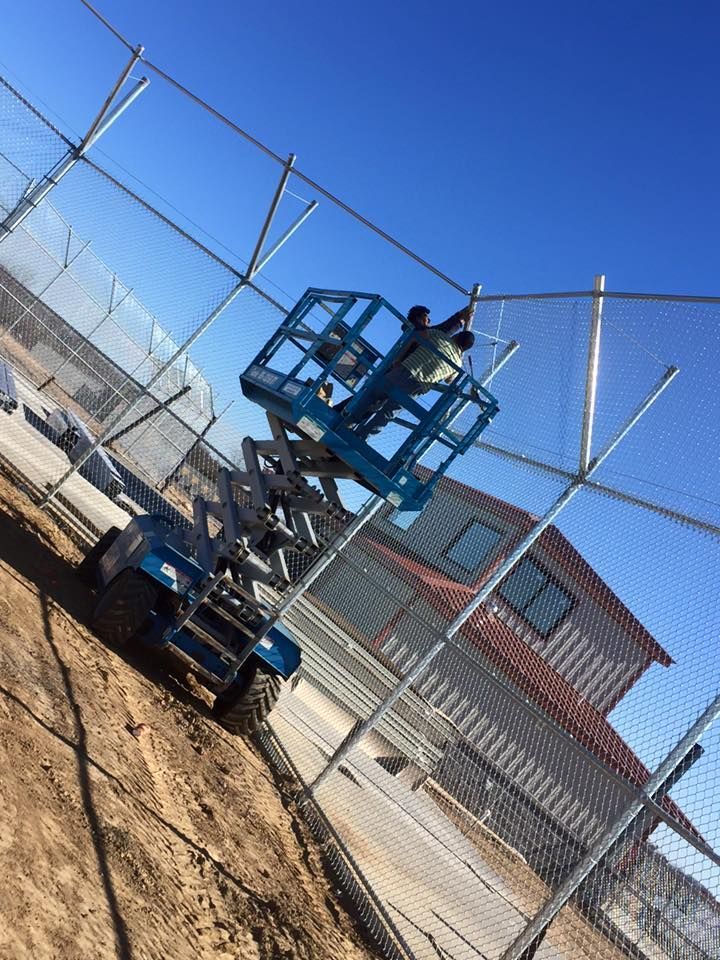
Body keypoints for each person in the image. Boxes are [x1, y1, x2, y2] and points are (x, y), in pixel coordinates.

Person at [349, 327, 476, 439]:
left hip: (404, 369)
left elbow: (416, 336)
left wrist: (398, 358)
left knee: (373, 396)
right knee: (387, 414)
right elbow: (448, 380)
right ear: (465, 349)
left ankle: (348, 422)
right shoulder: (457, 364)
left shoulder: (438, 334)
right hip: (416, 387)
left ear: (457, 335)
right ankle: (361, 437)